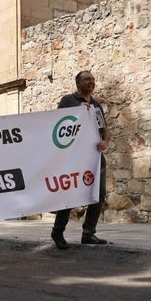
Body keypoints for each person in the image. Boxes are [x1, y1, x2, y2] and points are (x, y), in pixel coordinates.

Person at [51, 70, 110, 249]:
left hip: (94, 157)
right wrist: (79, 113)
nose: (91, 82)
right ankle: (58, 232)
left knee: (99, 194)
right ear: (78, 83)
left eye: (93, 79)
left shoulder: (96, 105)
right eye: (87, 79)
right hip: (73, 158)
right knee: (69, 194)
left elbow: (105, 129)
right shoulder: (67, 101)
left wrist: (105, 142)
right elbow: (57, 123)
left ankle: (88, 233)